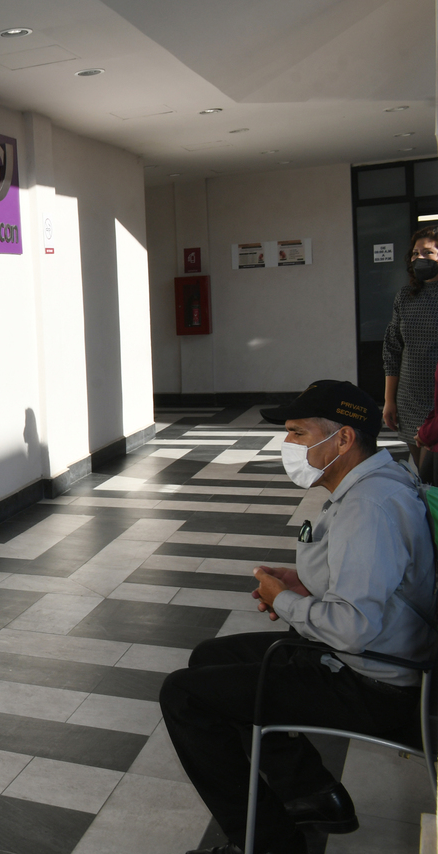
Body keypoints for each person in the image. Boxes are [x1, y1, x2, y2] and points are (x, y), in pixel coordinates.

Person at [160, 380, 435, 854]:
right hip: (368, 655)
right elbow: (376, 584)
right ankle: (313, 792)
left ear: (343, 439)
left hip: (372, 682)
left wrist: (286, 602)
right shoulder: (373, 484)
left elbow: (352, 628)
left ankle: (270, 845)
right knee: (209, 657)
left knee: (184, 697)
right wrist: (304, 584)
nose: (287, 444)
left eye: (298, 433)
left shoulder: (368, 506)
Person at [383, 225, 438, 479]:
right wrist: (389, 400)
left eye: (428, 253)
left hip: (436, 401)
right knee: (425, 480)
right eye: (415, 253)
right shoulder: (406, 296)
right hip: (410, 400)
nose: (420, 258)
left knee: (432, 474)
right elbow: (392, 348)